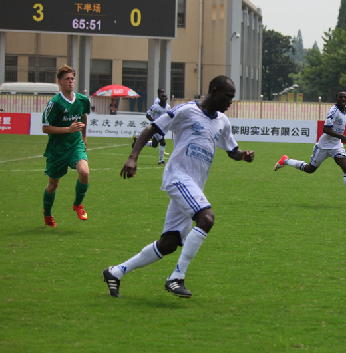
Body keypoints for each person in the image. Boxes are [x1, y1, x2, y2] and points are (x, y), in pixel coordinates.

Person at [102, 75, 254, 298]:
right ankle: (176, 277)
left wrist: (243, 156)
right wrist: (133, 156)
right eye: (228, 97)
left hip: (194, 186)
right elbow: (152, 128)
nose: (230, 102)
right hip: (178, 177)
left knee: (169, 243)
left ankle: (116, 272)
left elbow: (232, 150)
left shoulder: (222, 121)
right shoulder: (186, 111)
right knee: (206, 219)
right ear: (213, 91)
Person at [273, 90, 346, 208]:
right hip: (323, 146)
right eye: (341, 97)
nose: (343, 99)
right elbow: (326, 129)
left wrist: (340, 139)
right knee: (310, 169)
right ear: (336, 98)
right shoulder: (333, 111)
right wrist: (342, 137)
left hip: (336, 146)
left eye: (345, 98)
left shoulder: (344, 110)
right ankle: (285, 160)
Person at [41, 65, 91, 227]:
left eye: (72, 78)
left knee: (84, 172)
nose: (71, 82)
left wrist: (83, 137)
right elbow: (45, 127)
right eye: (67, 79)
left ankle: (78, 204)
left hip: (75, 145)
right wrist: (67, 129)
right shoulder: (54, 103)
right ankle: (47, 213)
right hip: (57, 149)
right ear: (60, 82)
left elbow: (84, 115)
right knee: (53, 185)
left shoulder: (82, 100)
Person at [143, 91, 172, 164]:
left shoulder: (168, 107)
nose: (164, 98)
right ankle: (161, 161)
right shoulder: (155, 106)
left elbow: (170, 116)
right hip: (155, 127)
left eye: (165, 96)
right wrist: (154, 121)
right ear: (159, 98)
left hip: (162, 127)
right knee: (163, 143)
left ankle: (139, 141)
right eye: (162, 96)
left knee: (154, 144)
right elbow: (148, 115)